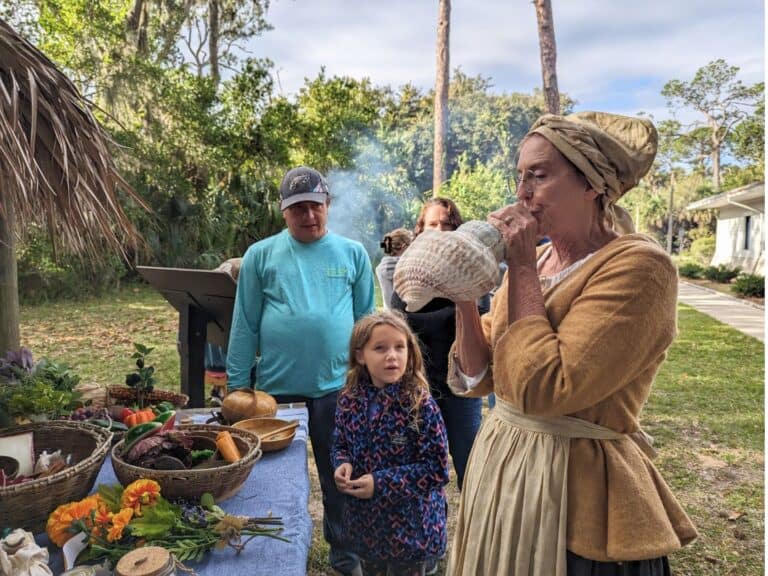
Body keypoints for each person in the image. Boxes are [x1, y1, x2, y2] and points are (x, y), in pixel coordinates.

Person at [446, 112, 698, 575]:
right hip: (504, 466)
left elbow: (545, 389)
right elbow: (478, 376)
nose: (521, 193)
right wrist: (464, 294)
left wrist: (519, 268)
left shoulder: (640, 268)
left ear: (592, 185)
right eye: (519, 176)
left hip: (574, 490)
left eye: (539, 176)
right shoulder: (540, 258)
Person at [227, 166, 375, 576]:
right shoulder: (261, 255)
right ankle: (266, 559)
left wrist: (371, 382)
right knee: (271, 482)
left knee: (341, 476)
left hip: (337, 389)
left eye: (314, 206)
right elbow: (245, 325)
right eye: (298, 210)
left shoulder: (352, 253)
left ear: (327, 205)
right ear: (283, 212)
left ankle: (347, 558)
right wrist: (238, 388)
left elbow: (367, 323)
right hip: (276, 395)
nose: (308, 216)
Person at [332, 310, 449, 576]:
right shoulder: (349, 400)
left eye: (399, 347)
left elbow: (437, 470)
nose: (392, 356)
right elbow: (340, 442)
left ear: (410, 352)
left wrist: (381, 483)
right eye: (380, 348)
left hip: (412, 534)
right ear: (361, 355)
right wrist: (342, 463)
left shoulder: (420, 406)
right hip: (367, 529)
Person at [390, 198, 488, 491]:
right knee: (421, 469)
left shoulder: (472, 275)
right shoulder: (406, 275)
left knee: (470, 465)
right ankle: (427, 530)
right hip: (417, 388)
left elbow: (483, 328)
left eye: (447, 224)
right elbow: (397, 328)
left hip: (461, 388)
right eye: (432, 224)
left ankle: (476, 530)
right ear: (420, 230)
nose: (440, 230)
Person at [375, 228, 413, 310]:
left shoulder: (380, 268)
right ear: (404, 246)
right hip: (408, 315)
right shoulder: (411, 266)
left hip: (389, 316)